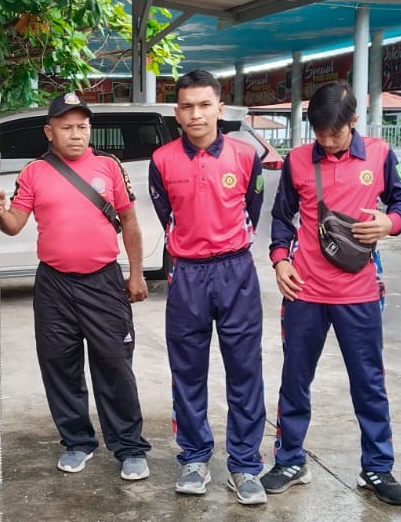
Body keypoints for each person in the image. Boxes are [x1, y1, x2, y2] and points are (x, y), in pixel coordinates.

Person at [0, 92, 153, 481]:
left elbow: (129, 221)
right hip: (54, 285)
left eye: (82, 127)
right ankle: (77, 441)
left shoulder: (109, 166)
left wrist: (136, 273)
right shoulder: (34, 172)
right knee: (59, 365)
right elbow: (14, 225)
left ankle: (129, 447)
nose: (76, 134)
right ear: (50, 132)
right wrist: (0, 212)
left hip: (103, 281)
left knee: (114, 364)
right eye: (66, 128)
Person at [263, 81, 401, 506]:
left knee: (369, 383)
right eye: (319, 134)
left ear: (354, 122)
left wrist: (390, 223)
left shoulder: (381, 154)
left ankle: (377, 467)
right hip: (305, 292)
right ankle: (290, 460)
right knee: (295, 380)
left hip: (360, 293)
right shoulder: (297, 160)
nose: (327, 142)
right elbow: (281, 218)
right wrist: (280, 260)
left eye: (335, 133)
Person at [148, 69, 267, 505]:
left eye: (204, 105)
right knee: (187, 372)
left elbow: (252, 207)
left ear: (220, 107)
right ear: (176, 113)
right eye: (187, 107)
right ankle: (194, 458)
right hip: (188, 276)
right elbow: (167, 215)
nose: (196, 114)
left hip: (236, 273)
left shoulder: (245, 156)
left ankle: (245, 465)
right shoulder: (162, 161)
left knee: (245, 371)